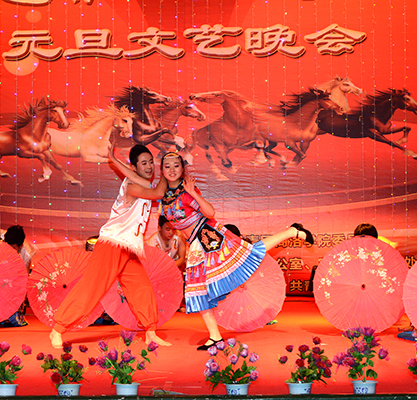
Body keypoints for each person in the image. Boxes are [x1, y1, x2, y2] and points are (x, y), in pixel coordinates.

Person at [109, 149, 314, 350]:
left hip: (208, 236)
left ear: (182, 169)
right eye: (167, 166)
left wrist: (192, 193)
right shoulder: (163, 194)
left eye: (176, 166)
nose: (172, 170)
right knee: (199, 290)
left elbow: (210, 212)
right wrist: (114, 160)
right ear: (161, 170)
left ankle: (292, 232)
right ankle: (215, 336)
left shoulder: (188, 190)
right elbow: (135, 177)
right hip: (194, 243)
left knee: (247, 255)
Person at [49, 145, 171, 349]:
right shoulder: (131, 186)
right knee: (92, 287)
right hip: (112, 245)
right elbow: (158, 192)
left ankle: (150, 332)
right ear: (134, 167)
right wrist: (167, 171)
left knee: (141, 287)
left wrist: (115, 160)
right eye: (144, 163)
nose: (149, 166)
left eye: (151, 162)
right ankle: (58, 328)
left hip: (129, 248)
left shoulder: (143, 183)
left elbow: (153, 188)